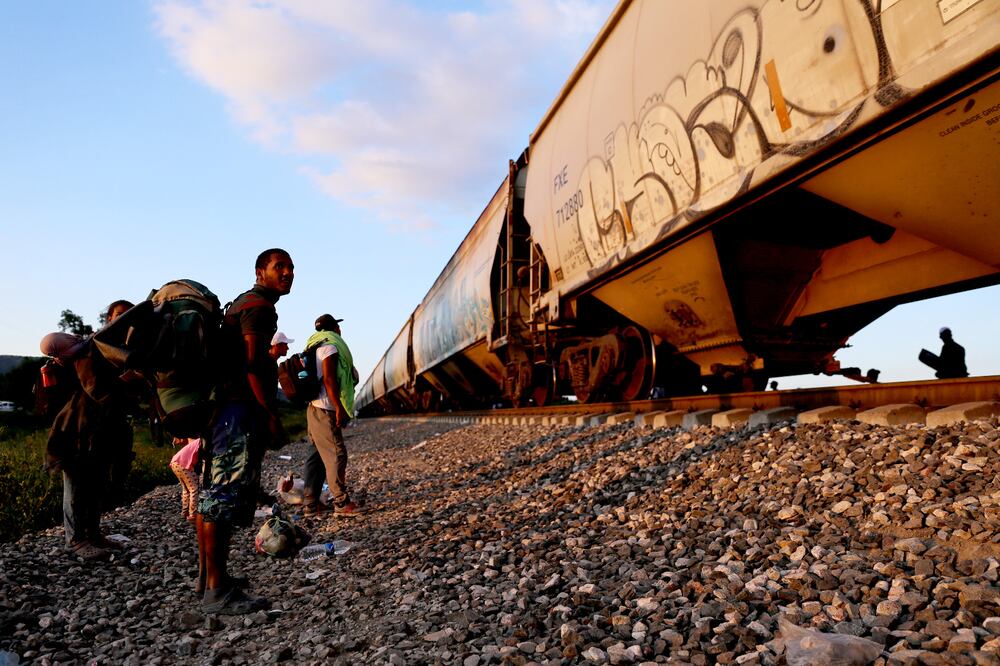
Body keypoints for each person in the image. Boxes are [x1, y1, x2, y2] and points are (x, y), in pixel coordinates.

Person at [195, 248, 293, 614]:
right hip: (237, 412)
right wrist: (269, 414)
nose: (288, 273)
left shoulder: (241, 303)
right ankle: (217, 592)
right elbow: (252, 363)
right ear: (260, 271)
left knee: (212, 497)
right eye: (279, 266)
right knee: (221, 501)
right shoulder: (260, 308)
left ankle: (209, 579)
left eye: (291, 268)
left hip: (222, 410)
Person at [41, 332, 130, 561]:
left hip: (93, 436)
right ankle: (75, 541)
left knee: (94, 487)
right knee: (76, 490)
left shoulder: (86, 355)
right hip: (74, 437)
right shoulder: (83, 359)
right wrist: (128, 380)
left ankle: (93, 534)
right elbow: (99, 392)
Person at [301, 314, 365, 518]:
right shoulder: (330, 347)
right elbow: (329, 379)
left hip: (313, 408)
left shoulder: (313, 345)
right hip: (325, 408)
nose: (340, 330)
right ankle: (341, 502)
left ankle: (311, 505)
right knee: (337, 454)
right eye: (338, 326)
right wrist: (339, 407)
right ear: (334, 329)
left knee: (316, 456)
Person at [103, 300, 136, 506]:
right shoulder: (97, 344)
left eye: (129, 315)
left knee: (121, 470)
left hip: (121, 420)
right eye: (120, 314)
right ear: (110, 318)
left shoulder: (131, 347)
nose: (124, 319)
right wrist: (123, 381)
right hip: (98, 421)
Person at [170, 437, 201, 521]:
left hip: (175, 463)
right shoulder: (201, 442)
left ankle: (185, 512)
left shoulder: (196, 441)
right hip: (182, 464)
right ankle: (193, 514)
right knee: (194, 488)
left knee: (186, 489)